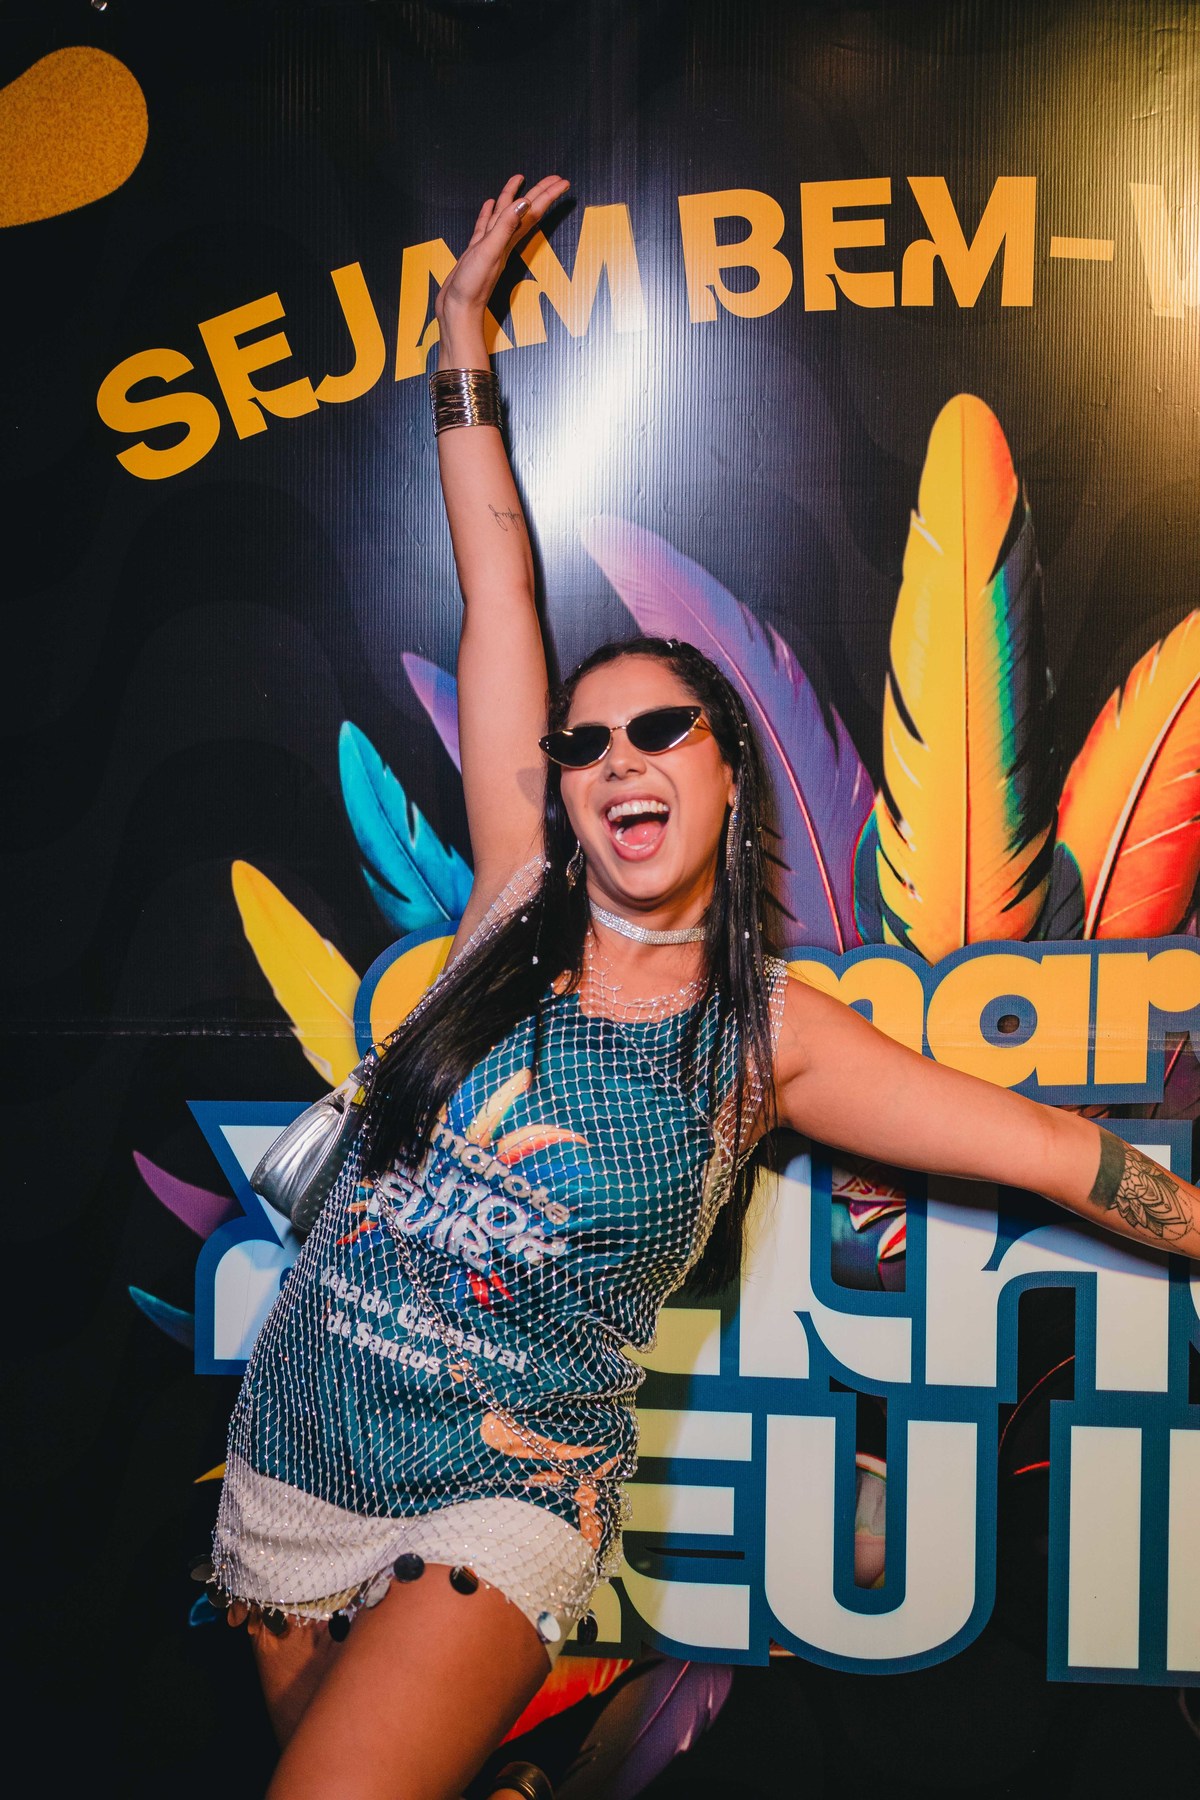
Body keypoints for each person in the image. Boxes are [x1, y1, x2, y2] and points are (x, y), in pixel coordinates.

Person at [209, 175, 1200, 1800]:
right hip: (293, 1457)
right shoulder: (510, 912)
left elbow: (1047, 1149)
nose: (619, 758)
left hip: (499, 1505)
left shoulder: (769, 1038)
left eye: (660, 729)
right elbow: (499, 588)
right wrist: (459, 341)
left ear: (729, 773)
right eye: (586, 741)